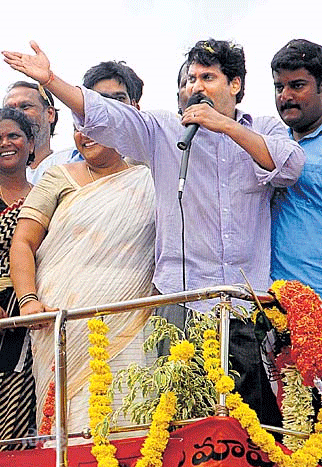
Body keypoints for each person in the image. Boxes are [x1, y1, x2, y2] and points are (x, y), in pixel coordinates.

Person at [3, 39, 304, 426]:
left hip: (243, 308)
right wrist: (52, 80)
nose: (196, 86)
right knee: (178, 426)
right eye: (191, 78)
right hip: (180, 305)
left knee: (249, 428)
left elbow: (289, 166)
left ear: (236, 85)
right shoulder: (165, 131)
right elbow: (107, 117)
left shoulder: (263, 129)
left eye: (208, 77)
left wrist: (225, 127)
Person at [9, 110, 155, 434]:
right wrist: (28, 301)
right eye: (78, 128)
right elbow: (22, 243)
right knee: (70, 427)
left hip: (129, 318)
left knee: (131, 422)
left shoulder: (149, 176)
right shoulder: (59, 176)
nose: (84, 135)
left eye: (93, 126)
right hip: (61, 322)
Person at [270, 39, 322, 297]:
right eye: (279, 86)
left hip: (316, 300)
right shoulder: (269, 142)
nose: (285, 96)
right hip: (264, 304)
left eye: (297, 85)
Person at [0, 107, 36, 449]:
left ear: (31, 143)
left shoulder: (47, 194)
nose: (6, 143)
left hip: (32, 311)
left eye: (13, 135)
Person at [2, 81, 74, 184]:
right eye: (10, 110)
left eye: (25, 106)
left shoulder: (70, 162)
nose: (17, 114)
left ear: (50, 114)